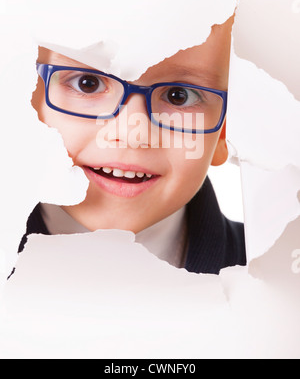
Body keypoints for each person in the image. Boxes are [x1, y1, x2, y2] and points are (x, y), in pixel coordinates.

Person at [19, 16, 246, 274]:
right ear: (20, 95)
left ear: (225, 131)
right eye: (87, 83)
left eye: (179, 96)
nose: (131, 135)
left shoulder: (283, 284)